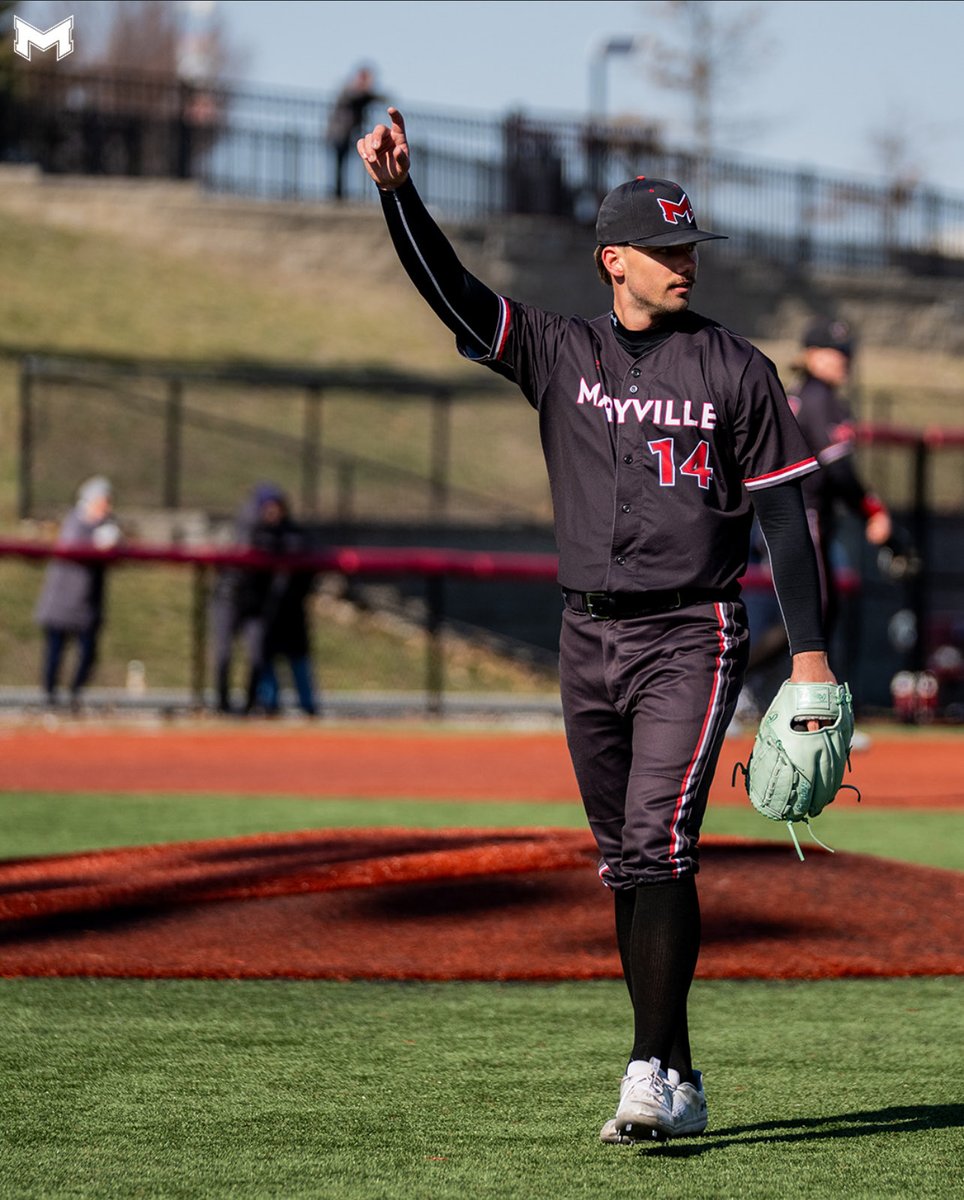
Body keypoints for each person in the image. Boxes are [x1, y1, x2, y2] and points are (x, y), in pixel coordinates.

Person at [357, 108, 835, 1143]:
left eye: (690, 247)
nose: (684, 262)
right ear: (613, 260)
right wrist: (399, 196)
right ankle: (679, 1072)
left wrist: (811, 661)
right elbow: (453, 290)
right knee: (626, 859)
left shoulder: (737, 369)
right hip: (585, 638)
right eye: (666, 249)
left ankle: (645, 1070)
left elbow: (786, 520)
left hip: (690, 633)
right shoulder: (557, 351)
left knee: (658, 844)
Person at [212, 483, 318, 717]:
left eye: (277, 506)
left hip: (257, 605)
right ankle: (222, 705)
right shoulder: (246, 529)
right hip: (230, 598)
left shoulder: (286, 534)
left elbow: (302, 548)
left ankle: (250, 706)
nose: (273, 512)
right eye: (269, 507)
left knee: (257, 655)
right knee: (224, 653)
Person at [34, 476, 121, 708]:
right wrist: (98, 543)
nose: (107, 506)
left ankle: (74, 695)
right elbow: (74, 544)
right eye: (103, 501)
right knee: (55, 653)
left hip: (88, 606)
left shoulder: (107, 525)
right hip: (61, 604)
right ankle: (50, 698)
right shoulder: (75, 522)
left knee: (88, 654)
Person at [326, 65, 382, 201]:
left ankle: (339, 193)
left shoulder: (355, 92)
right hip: (339, 133)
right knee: (339, 164)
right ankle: (338, 194)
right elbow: (360, 97)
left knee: (342, 164)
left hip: (345, 133)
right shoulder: (350, 90)